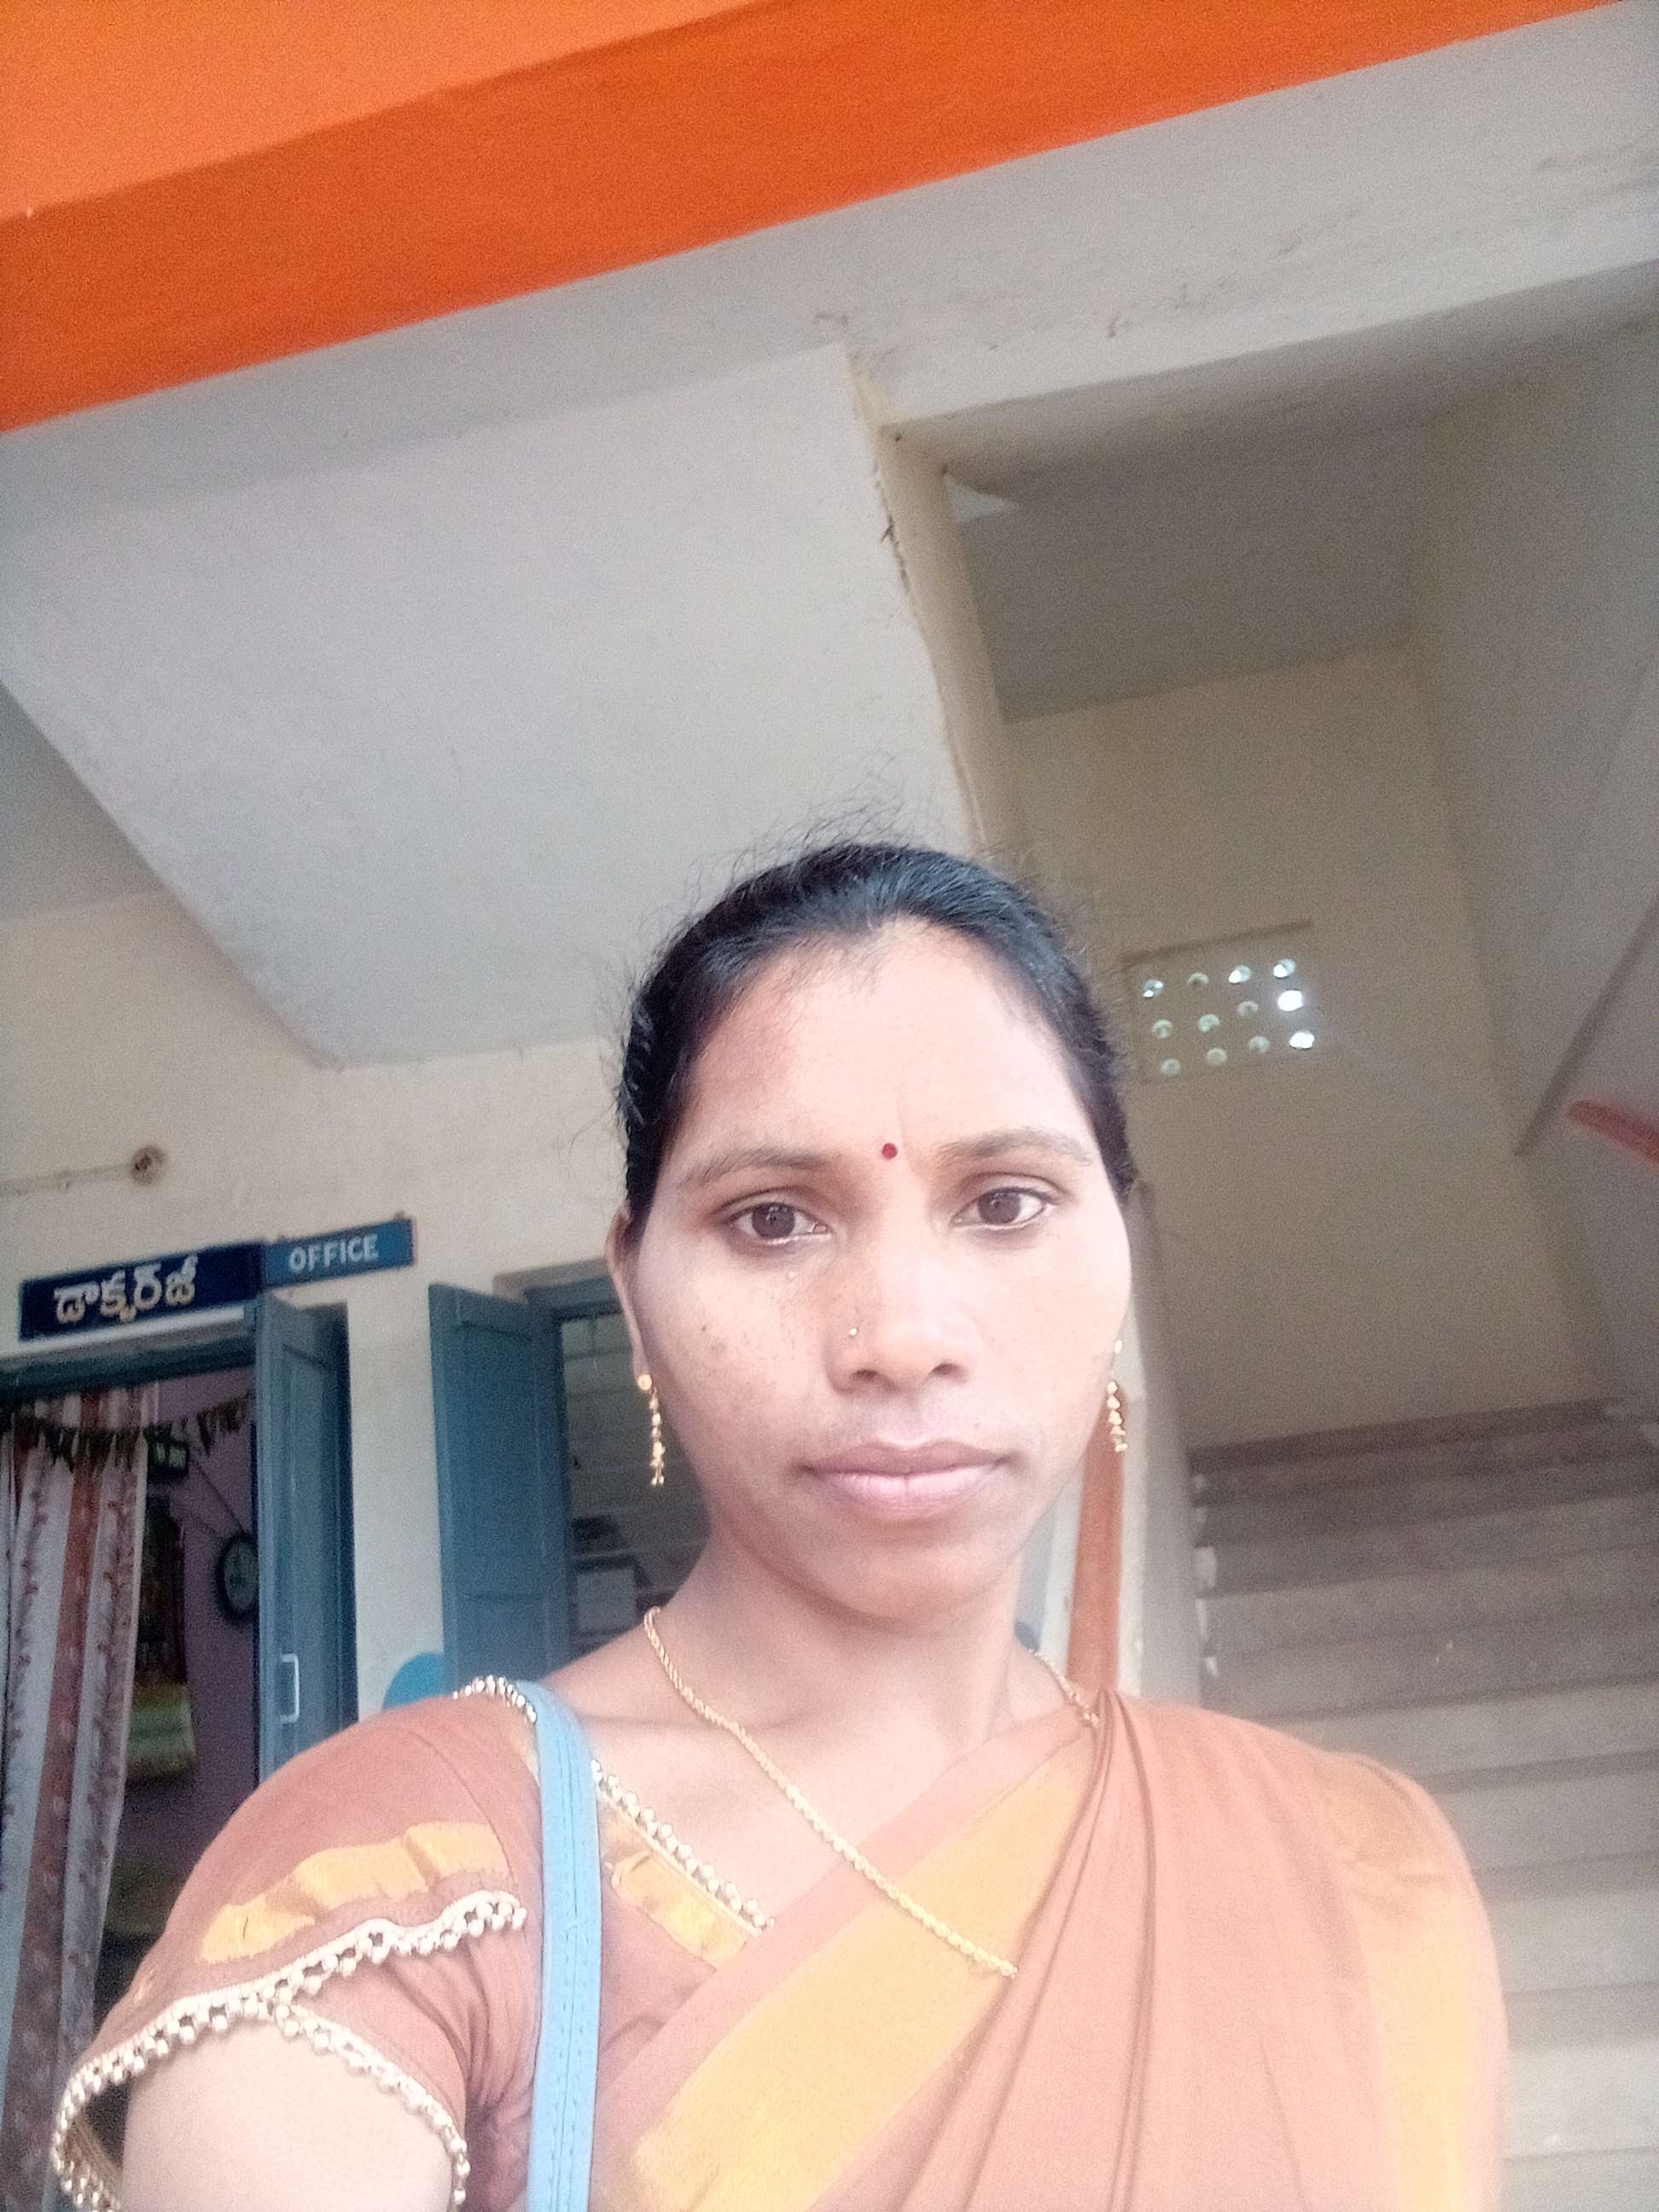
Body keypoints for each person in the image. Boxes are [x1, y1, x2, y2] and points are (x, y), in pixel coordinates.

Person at [54, 841, 1505, 2212]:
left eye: (1007, 1202)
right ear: (635, 1300)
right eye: (771, 1219)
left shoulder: (1350, 1865)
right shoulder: (397, 1873)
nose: (903, 1336)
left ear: (1119, 1251)